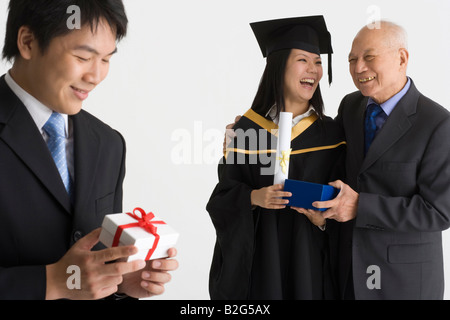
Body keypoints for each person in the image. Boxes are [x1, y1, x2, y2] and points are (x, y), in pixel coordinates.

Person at [0, 0, 178, 300]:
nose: (96, 76)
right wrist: (53, 281)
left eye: (107, 59)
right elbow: (66, 279)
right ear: (28, 42)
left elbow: (94, 261)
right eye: (83, 56)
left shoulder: (108, 143)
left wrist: (120, 281)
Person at [307, 21, 450, 299]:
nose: (358, 68)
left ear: (401, 58)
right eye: (352, 59)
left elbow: (439, 211)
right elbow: (321, 149)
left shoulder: (437, 123)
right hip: (347, 272)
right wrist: (257, 133)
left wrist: (361, 206)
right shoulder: (351, 106)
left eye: (369, 57)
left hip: (403, 282)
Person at [206, 16, 346, 299]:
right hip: (261, 265)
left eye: (318, 62)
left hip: (309, 265)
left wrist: (322, 221)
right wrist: (254, 198)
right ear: (278, 65)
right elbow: (221, 200)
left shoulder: (333, 135)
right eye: (303, 60)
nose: (314, 70)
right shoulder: (246, 131)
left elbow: (346, 204)